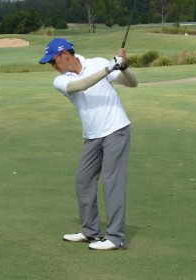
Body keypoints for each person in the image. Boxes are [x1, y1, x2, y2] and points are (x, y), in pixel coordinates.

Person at [38, 37, 138, 250]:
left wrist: (124, 67)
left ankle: (115, 238)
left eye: (53, 60)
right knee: (83, 180)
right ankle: (91, 232)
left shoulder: (95, 62)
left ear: (65, 54)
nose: (52, 66)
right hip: (92, 136)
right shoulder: (61, 80)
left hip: (116, 129)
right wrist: (108, 68)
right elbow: (82, 85)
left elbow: (132, 83)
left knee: (112, 182)